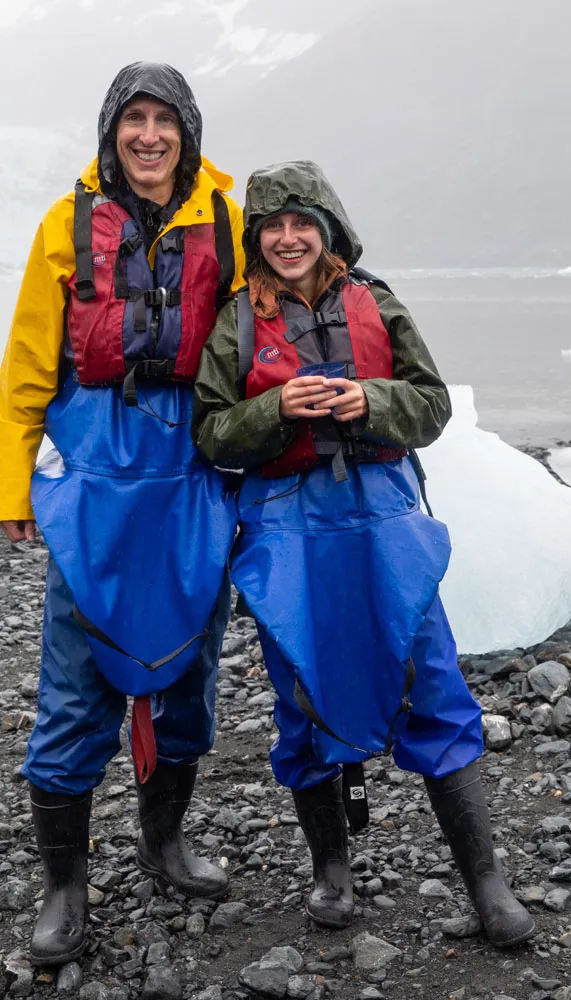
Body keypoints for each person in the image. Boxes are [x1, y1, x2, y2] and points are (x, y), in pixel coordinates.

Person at [192, 160, 535, 948]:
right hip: (284, 523)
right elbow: (211, 430)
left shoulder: (373, 302)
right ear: (255, 238)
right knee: (301, 686)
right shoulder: (237, 319)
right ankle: (331, 870)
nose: (287, 238)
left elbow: (432, 404)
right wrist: (274, 408)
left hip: (381, 515)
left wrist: (370, 400)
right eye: (272, 227)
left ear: (328, 228)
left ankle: (486, 883)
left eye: (301, 223)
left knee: (431, 678)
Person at [0, 63, 245, 966]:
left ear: (186, 130)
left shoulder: (226, 220)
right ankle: (65, 885)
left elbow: (266, 338)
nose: (147, 135)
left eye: (162, 120)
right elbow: (27, 361)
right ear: (112, 128)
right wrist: (12, 488)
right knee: (75, 676)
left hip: (190, 468)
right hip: (96, 464)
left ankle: (163, 841)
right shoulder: (66, 223)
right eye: (132, 119)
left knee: (190, 662)